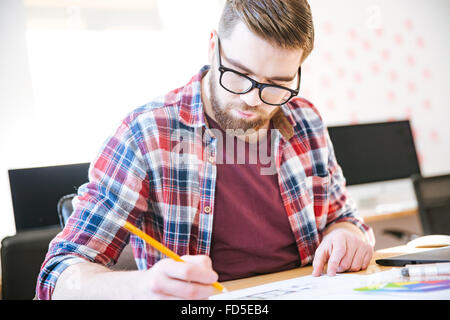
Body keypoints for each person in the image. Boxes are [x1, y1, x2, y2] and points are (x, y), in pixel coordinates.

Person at [37, 0, 375, 300]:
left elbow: (343, 218)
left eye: (277, 84)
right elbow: (57, 277)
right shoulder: (147, 134)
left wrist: (345, 235)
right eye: (240, 74)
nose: (252, 99)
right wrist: (144, 288)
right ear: (213, 46)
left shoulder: (305, 120)